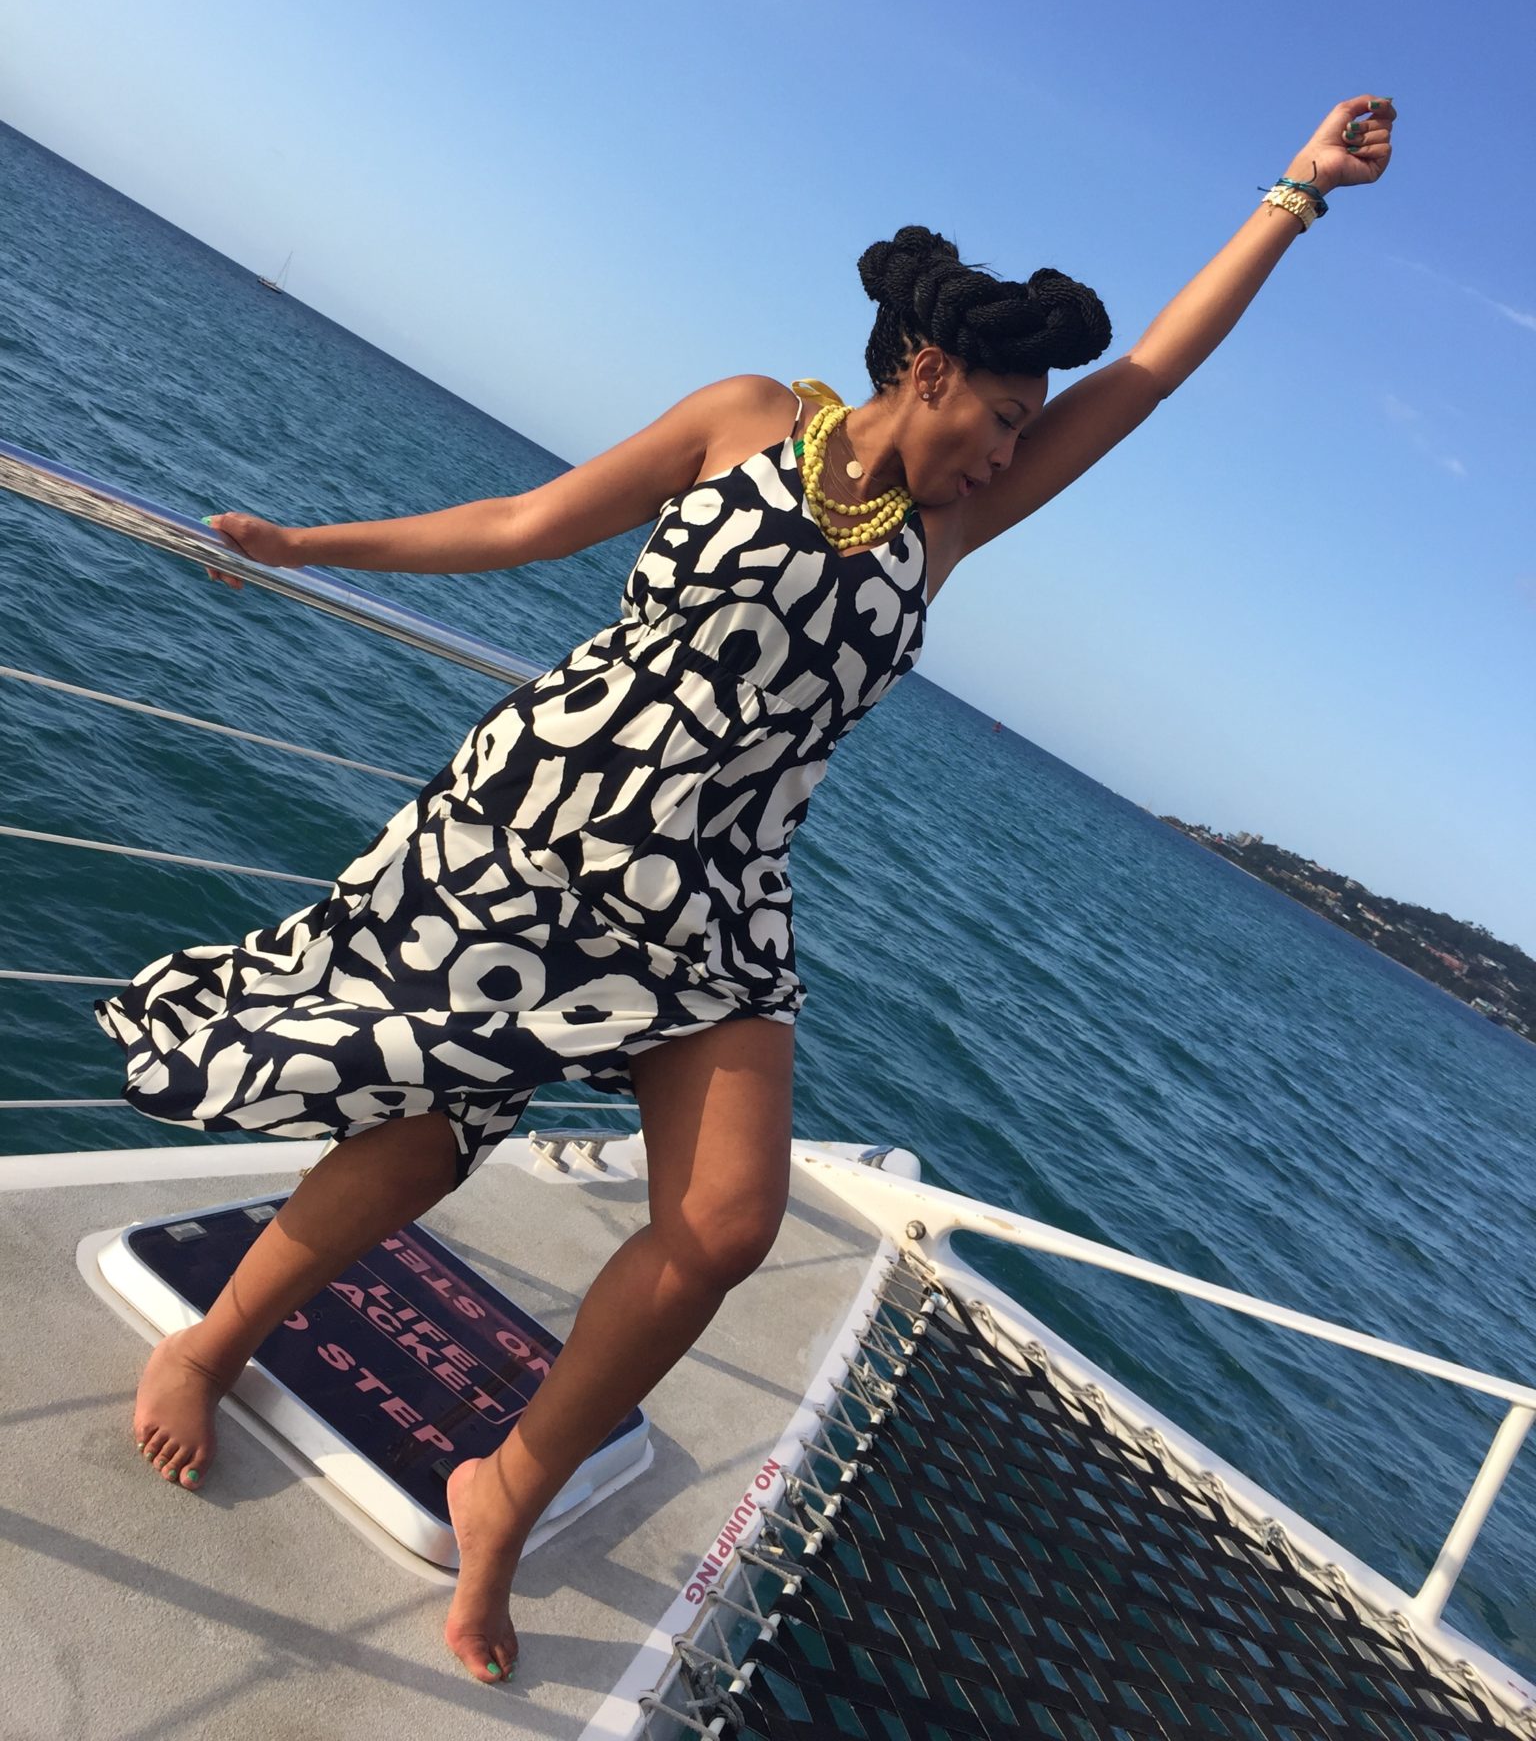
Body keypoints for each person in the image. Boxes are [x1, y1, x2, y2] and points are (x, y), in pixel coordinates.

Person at [96, 94, 1395, 1685]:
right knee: (423, 1138)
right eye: (999, 413)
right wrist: (315, 545)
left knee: (723, 1224)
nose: (1008, 448)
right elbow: (526, 521)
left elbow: (1151, 378)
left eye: (1021, 428)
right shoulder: (744, 419)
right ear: (927, 370)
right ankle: (214, 1341)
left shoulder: (950, 528)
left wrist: (1296, 192)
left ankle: (506, 1486)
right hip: (538, 826)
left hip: (715, 896)